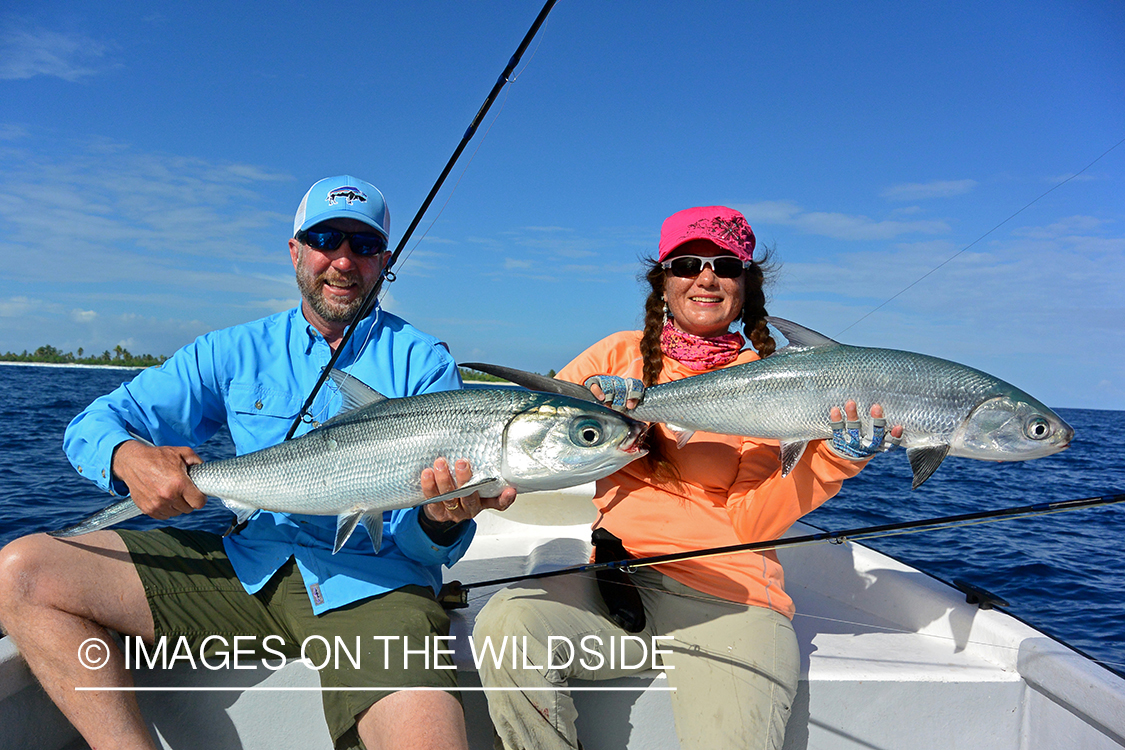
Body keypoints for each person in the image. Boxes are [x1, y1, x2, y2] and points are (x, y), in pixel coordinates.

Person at [0, 175, 515, 750]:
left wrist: (441, 518)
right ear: (295, 251)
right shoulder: (232, 350)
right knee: (22, 572)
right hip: (247, 569)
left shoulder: (423, 363)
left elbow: (419, 546)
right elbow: (92, 424)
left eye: (364, 246)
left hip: (378, 588)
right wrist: (128, 457)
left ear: (384, 262)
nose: (343, 261)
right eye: (326, 239)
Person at [472, 205, 902, 749]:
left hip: (733, 600)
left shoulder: (772, 383)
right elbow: (522, 429)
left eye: (725, 264)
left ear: (746, 283)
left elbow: (752, 521)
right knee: (506, 628)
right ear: (663, 280)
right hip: (622, 588)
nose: (706, 277)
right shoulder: (616, 356)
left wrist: (835, 459)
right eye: (687, 263)